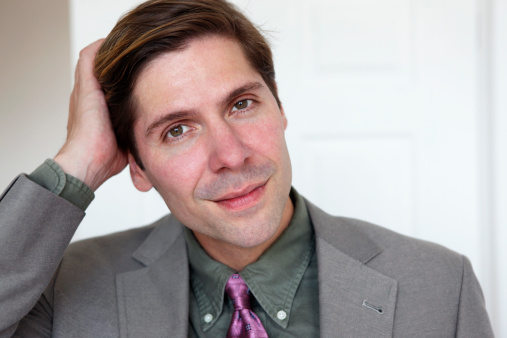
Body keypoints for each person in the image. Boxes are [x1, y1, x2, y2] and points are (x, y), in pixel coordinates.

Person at [0, 0, 494, 337]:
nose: (232, 155)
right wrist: (78, 163)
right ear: (139, 166)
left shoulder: (439, 286)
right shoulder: (61, 291)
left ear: (279, 108)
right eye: (177, 129)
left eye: (241, 104)